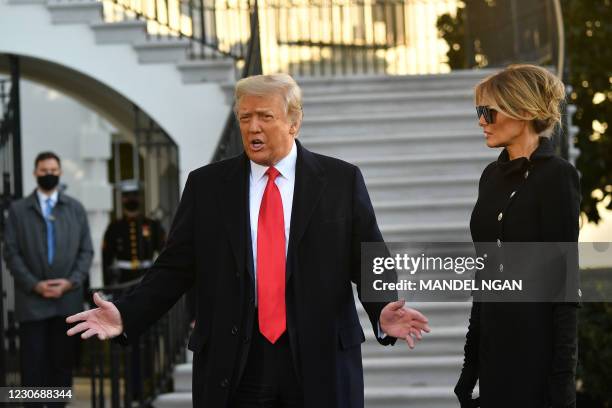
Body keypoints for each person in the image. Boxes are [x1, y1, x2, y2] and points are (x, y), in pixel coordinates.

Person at [66, 74, 430, 408]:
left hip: (320, 357)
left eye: (264, 117)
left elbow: (370, 258)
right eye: (244, 118)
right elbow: (174, 268)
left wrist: (382, 307)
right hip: (235, 361)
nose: (252, 127)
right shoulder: (207, 186)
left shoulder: (340, 181)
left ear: (294, 121)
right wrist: (127, 313)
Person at [454, 64, 580, 408]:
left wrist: (562, 383)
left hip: (535, 356)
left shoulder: (557, 177)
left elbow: (564, 285)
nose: (481, 121)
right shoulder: (491, 177)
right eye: (479, 112)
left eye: (488, 112)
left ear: (523, 111)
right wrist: (470, 366)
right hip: (495, 353)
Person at [4, 151, 93, 404]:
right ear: (35, 173)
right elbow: (11, 252)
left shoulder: (75, 208)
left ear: (60, 172)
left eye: (53, 170)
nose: (49, 175)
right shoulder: (18, 210)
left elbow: (86, 251)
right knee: (32, 364)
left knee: (62, 364)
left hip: (67, 301)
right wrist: (35, 284)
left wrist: (71, 281)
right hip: (32, 302)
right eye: (44, 171)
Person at [102, 179, 166, 286]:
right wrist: (108, 284)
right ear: (122, 199)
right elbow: (106, 259)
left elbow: (164, 252)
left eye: (135, 195)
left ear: (140, 198)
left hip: (148, 277)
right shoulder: (114, 227)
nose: (131, 198)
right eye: (127, 195)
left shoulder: (152, 225)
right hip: (122, 279)